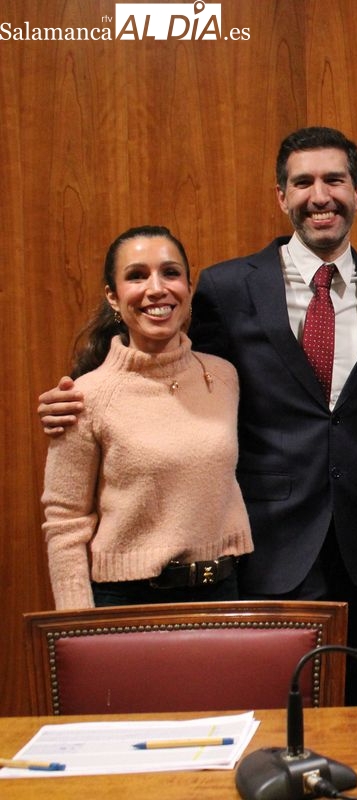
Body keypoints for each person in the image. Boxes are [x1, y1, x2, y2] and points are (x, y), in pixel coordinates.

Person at [38, 127, 357, 703]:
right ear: (281, 197)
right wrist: (77, 392)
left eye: (334, 180)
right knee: (268, 716)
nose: (320, 195)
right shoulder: (226, 287)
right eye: (303, 182)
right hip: (269, 550)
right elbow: (162, 360)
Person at [41, 226, 252, 609]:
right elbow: (64, 522)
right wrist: (77, 625)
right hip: (128, 601)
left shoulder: (223, 376)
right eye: (137, 275)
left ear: (188, 286)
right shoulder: (83, 397)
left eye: (170, 273)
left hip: (221, 595)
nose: (157, 288)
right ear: (113, 296)